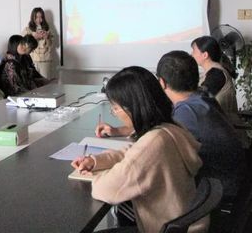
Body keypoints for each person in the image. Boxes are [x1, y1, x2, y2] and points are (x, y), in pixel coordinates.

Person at [72, 66, 207, 233]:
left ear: (132, 107)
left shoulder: (153, 142)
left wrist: (93, 177)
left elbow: (107, 189)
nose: (115, 113)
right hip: (180, 223)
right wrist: (96, 161)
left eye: (115, 108)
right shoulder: (170, 128)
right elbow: (133, 152)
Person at [156, 50, 245, 198]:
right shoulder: (201, 98)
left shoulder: (186, 112)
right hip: (231, 179)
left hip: (217, 188)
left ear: (162, 83)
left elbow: (167, 155)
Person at [191, 36, 238, 115]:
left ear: (205, 55)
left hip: (223, 121)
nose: (191, 54)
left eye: (194, 51)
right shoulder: (212, 71)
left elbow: (200, 98)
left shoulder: (216, 74)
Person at [22, 7, 54, 79]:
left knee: (45, 82)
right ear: (32, 17)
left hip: (45, 60)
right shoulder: (28, 29)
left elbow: (51, 45)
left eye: (41, 17)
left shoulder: (47, 29)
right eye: (36, 17)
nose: (39, 20)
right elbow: (22, 44)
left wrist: (47, 37)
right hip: (32, 60)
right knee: (33, 82)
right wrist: (33, 37)